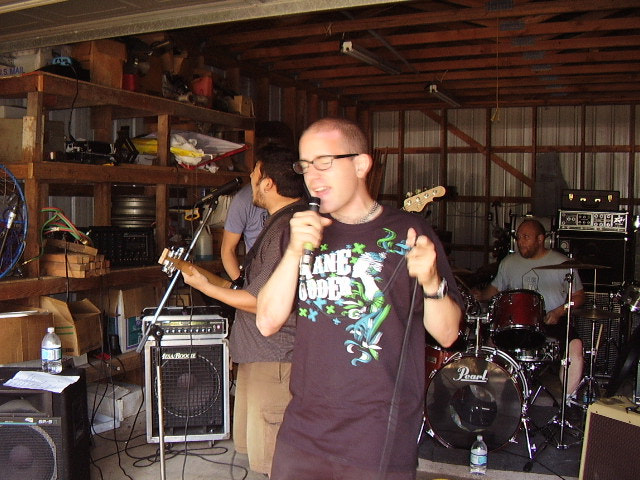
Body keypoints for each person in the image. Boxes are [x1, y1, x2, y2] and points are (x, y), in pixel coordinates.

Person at [255, 117, 464, 479]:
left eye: (324, 163)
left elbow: (447, 334)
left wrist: (431, 281)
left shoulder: (409, 232)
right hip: (304, 426)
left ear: (361, 164)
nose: (313, 177)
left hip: (377, 431)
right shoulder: (302, 232)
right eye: (305, 166)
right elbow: (267, 322)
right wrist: (293, 254)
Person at [181, 143, 306, 476]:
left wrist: (206, 287)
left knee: (273, 461)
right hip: (259, 355)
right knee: (256, 452)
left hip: (277, 357)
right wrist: (204, 278)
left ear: (268, 183)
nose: (250, 182)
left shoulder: (286, 228)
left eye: (254, 175)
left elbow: (260, 300)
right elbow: (249, 289)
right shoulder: (279, 222)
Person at [473, 218, 586, 401]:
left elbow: (579, 296)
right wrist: (480, 295)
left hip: (552, 320)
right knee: (490, 344)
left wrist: (559, 311)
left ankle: (568, 401)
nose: (520, 242)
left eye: (526, 237)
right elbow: (495, 288)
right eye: (518, 238)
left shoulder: (562, 263)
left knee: (575, 346)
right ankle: (489, 401)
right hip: (516, 322)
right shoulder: (508, 262)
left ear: (540, 239)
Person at [221, 121, 294, 281]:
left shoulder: (300, 201)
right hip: (257, 281)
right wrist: (240, 285)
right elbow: (228, 250)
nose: (251, 177)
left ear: (268, 183)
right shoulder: (243, 199)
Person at [221, 183, 267, 280]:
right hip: (256, 275)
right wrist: (240, 283)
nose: (251, 175)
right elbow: (228, 250)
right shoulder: (243, 199)